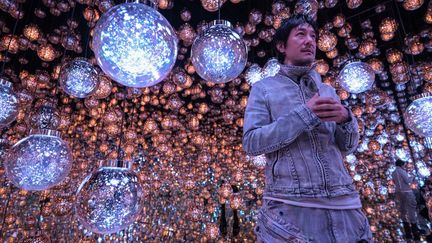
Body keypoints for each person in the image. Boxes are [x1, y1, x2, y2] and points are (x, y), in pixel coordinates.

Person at [242, 14, 373, 242]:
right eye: (301, 34)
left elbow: (347, 147)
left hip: (347, 207)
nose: (310, 41)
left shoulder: (328, 91)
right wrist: (305, 114)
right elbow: (252, 143)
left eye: (313, 36)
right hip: (290, 211)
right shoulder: (264, 89)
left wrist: (345, 119)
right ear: (282, 46)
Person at [392, 159, 420, 241]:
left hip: (398, 192)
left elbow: (394, 182)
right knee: (411, 208)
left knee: (403, 209)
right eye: (404, 164)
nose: (405, 166)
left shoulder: (393, 172)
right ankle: (415, 229)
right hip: (407, 192)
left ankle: (407, 230)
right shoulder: (402, 171)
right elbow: (407, 181)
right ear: (401, 165)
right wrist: (412, 177)